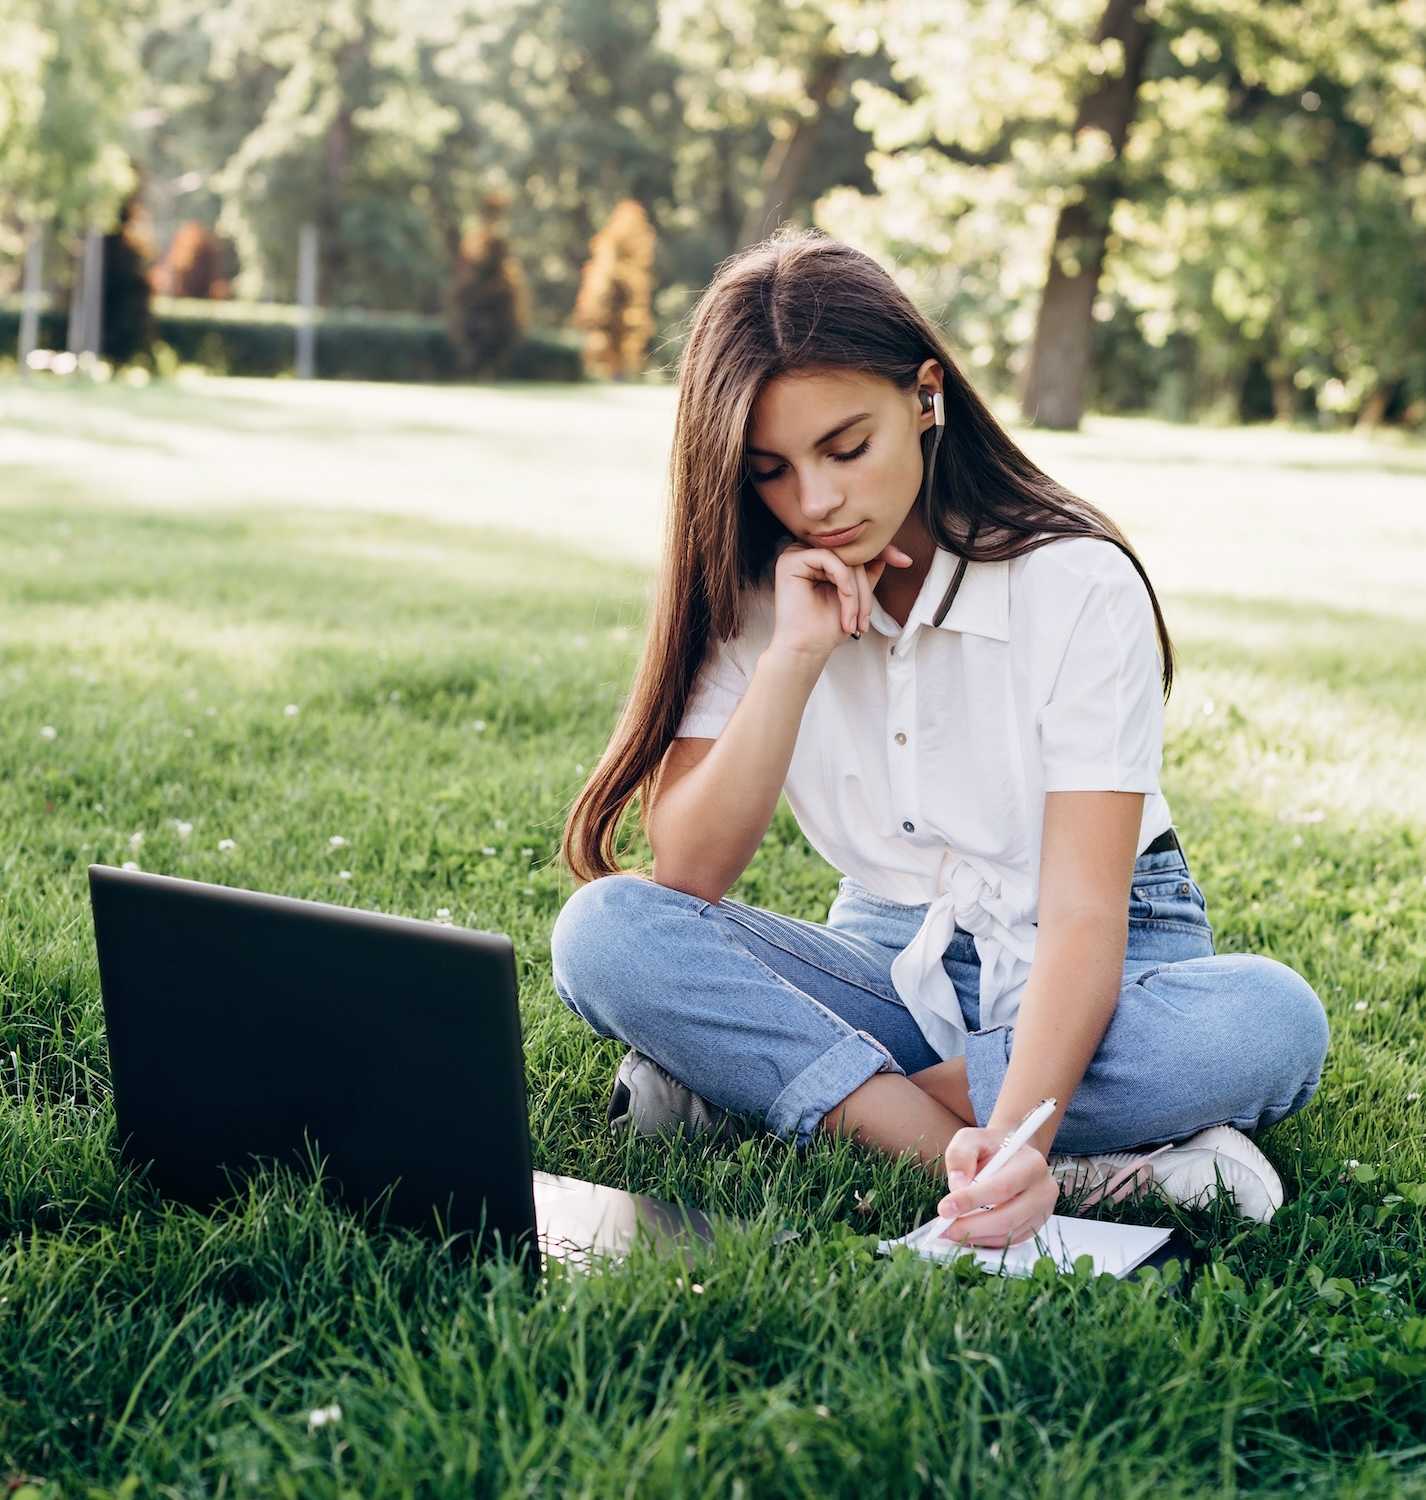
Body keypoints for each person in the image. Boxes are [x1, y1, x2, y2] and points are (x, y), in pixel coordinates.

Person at [550, 227, 1330, 1250]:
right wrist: (791, 660)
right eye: (770, 470)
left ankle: (784, 1100)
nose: (815, 502)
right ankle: (1044, 1166)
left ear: (926, 397)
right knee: (604, 933)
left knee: (1267, 1025)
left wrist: (1008, 1126)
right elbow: (686, 871)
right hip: (889, 956)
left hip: (1105, 954)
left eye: (845, 448)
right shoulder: (754, 584)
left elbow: (1084, 920)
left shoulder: (1074, 582)